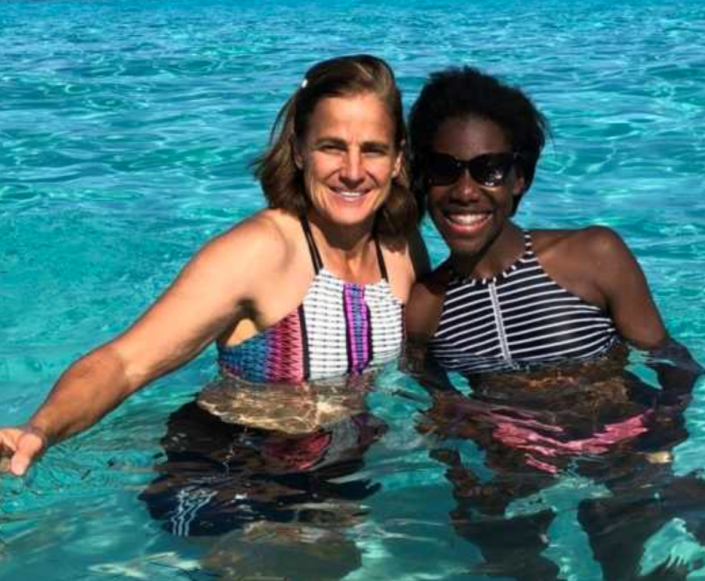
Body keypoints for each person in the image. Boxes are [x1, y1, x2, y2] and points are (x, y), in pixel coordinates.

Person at [405, 68, 705, 581]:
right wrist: (463, 481)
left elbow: (670, 359)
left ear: (520, 179)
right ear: (421, 181)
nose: (466, 190)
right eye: (444, 169)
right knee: (516, 578)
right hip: (516, 459)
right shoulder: (426, 307)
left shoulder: (591, 254)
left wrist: (662, 445)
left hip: (621, 444)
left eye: (489, 170)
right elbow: (437, 403)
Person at [0, 54, 428, 477]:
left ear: (396, 159)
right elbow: (126, 362)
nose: (353, 172)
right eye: (331, 147)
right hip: (227, 467)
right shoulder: (259, 252)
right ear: (299, 150)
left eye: (372, 150)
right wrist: (41, 427)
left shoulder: (400, 249)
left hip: (333, 464)